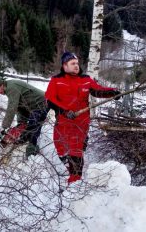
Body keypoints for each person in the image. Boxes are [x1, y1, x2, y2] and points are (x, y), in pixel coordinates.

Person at [45, 52, 121, 184]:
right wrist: (64, 111)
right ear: (65, 65)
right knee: (61, 149)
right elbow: (50, 99)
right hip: (63, 122)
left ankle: (75, 182)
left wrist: (112, 92)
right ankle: (68, 170)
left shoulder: (85, 79)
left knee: (75, 151)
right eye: (72, 63)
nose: (76, 66)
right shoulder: (56, 80)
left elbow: (98, 90)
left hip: (80, 124)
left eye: (77, 63)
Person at [0, 77, 49, 158]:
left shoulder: (11, 88)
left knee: (34, 125)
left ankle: (32, 149)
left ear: (1, 85)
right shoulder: (7, 88)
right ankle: (23, 137)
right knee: (25, 124)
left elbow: (11, 108)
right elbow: (18, 106)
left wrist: (5, 126)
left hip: (41, 102)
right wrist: (21, 121)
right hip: (30, 105)